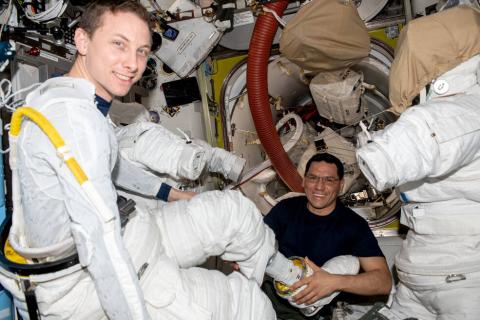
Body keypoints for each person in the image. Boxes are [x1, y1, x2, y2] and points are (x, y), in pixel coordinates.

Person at [0, 1, 307, 319]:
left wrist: (173, 194)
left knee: (235, 212)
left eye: (142, 51)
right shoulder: (75, 122)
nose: (132, 64)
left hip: (131, 233)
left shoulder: (78, 99)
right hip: (82, 284)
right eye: (118, 44)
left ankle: (294, 281)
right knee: (251, 308)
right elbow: (102, 247)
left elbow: (115, 166)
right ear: (82, 40)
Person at [356, 5, 480, 320]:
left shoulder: (465, 108)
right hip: (427, 267)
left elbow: (430, 134)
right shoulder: (456, 106)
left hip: (459, 277)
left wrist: (379, 156)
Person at [263, 153, 392, 319]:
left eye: (329, 180)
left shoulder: (354, 225)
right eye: (313, 178)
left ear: (341, 185)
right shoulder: (286, 209)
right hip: (273, 300)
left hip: (320, 309)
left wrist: (334, 281)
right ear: (303, 181)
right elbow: (257, 241)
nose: (319, 186)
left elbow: (383, 282)